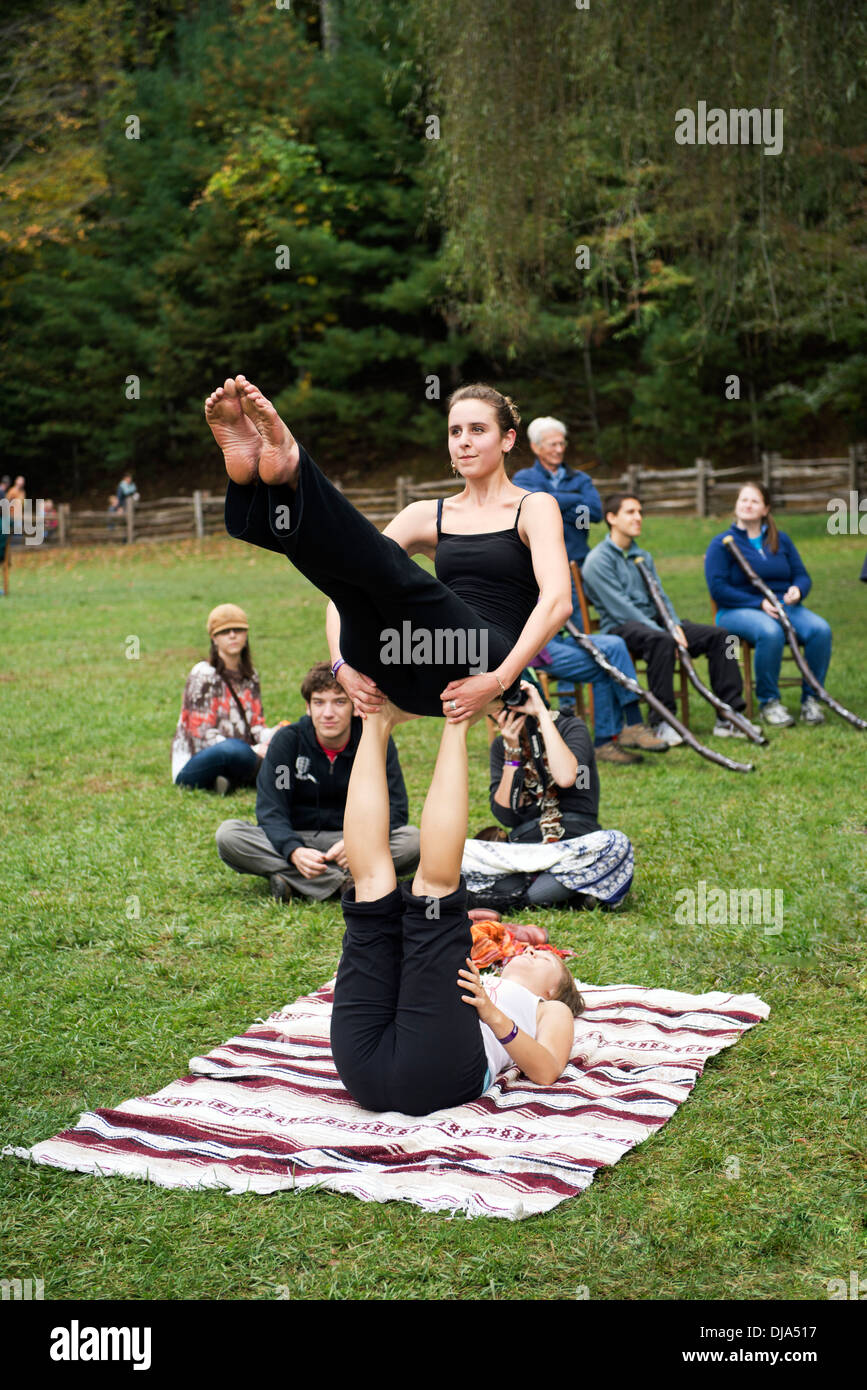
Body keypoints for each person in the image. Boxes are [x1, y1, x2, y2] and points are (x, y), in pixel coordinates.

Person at [205, 376, 573, 721]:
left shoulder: (534, 507)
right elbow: (343, 587)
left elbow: (557, 601)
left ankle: (289, 473)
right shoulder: (426, 515)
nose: (463, 441)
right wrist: (340, 667)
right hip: (402, 671)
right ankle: (264, 483)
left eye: (478, 430)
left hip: (481, 662)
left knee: (394, 570)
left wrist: (500, 679)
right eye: (455, 431)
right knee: (349, 580)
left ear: (508, 440)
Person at [329, 699, 584, 1117]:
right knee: (375, 891)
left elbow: (547, 1069)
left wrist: (492, 1012)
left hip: (437, 1077)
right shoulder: (480, 973)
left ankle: (456, 720)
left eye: (545, 960)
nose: (534, 950)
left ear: (552, 989)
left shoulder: (550, 1008)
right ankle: (375, 721)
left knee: (427, 891)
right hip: (365, 1068)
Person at [216, 661, 419, 901]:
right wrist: (294, 850)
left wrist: (354, 843)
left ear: (354, 706)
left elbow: (396, 808)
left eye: (339, 702)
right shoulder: (287, 742)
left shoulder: (375, 740)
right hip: (297, 837)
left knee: (414, 841)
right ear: (308, 707)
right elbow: (271, 810)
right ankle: (344, 883)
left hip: (354, 841)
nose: (328, 713)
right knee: (229, 836)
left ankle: (293, 880)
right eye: (319, 702)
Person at [582, 494, 747, 745]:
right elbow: (621, 608)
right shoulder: (597, 560)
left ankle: (729, 714)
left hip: (657, 625)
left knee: (721, 637)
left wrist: (674, 623)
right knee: (660, 641)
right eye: (630, 512)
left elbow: (660, 596)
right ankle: (662, 722)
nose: (638, 517)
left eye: (640, 512)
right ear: (611, 518)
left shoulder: (642, 556)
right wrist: (667, 632)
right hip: (619, 627)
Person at [704, 483, 832, 726]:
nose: (747, 505)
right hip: (735, 610)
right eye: (743, 500)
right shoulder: (721, 543)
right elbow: (718, 590)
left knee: (820, 630)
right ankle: (769, 702)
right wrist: (758, 602)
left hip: (785, 606)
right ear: (736, 505)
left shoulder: (780, 540)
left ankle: (812, 700)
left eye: (754, 501)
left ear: (765, 509)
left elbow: (802, 575)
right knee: (770, 631)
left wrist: (798, 590)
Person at [172, 604, 274, 791]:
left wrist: (275, 736)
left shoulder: (251, 676)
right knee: (232, 749)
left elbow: (256, 726)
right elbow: (201, 734)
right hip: (197, 761)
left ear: (246, 634)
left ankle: (229, 781)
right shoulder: (203, 674)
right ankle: (263, 774)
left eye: (238, 630)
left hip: (243, 754)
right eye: (225, 631)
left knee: (286, 736)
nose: (233, 635)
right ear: (214, 638)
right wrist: (254, 751)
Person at [511, 416, 602, 569]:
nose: (559, 450)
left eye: (562, 443)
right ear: (536, 447)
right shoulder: (524, 479)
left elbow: (594, 513)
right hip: (538, 565)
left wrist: (550, 508)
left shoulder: (581, 479)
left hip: (578, 562)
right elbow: (531, 511)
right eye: (553, 444)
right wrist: (576, 498)